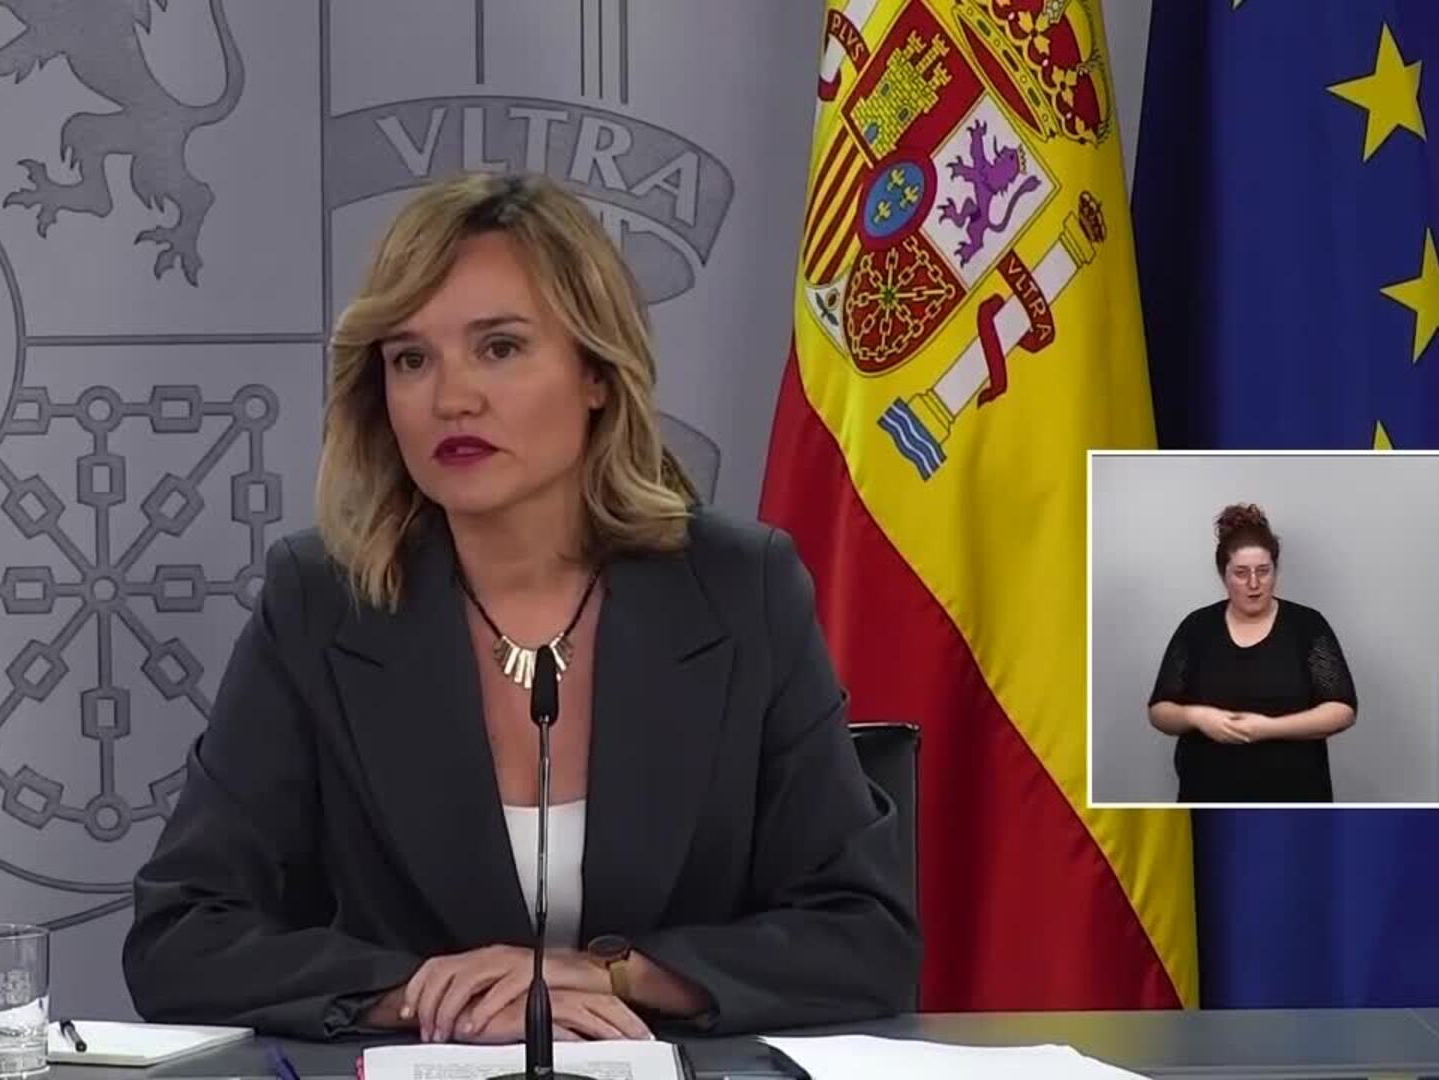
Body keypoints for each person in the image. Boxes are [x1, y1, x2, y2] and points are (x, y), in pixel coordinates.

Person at [122, 172, 920, 1042]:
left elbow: (863, 937)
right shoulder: (322, 603)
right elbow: (182, 938)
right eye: (411, 359)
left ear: (596, 373)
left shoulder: (740, 590)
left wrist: (612, 976)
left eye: (499, 348)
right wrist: (429, 994)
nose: (451, 398)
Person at [1146, 503, 1358, 802]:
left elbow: (1342, 710)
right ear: (1223, 575)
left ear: (1275, 571)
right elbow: (1159, 711)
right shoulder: (1197, 627)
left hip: (1294, 796)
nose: (1254, 584)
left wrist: (1269, 728)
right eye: (1241, 573)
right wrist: (1196, 716)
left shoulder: (1307, 625)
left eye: (1263, 571)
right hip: (1208, 795)